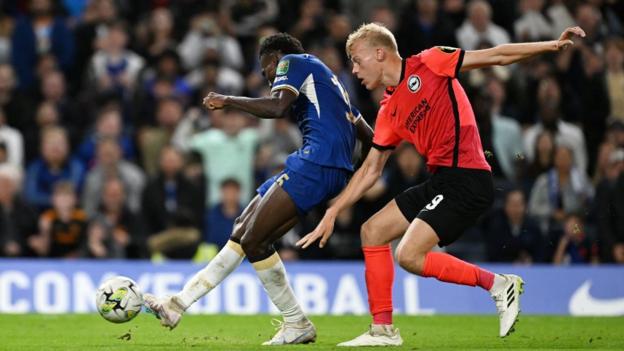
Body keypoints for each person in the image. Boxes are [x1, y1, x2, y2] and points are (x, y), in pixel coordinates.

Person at [296, 23, 586, 346]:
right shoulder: (388, 110)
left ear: (379, 53)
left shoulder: (431, 62)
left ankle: (498, 284)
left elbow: (496, 56)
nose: (354, 69)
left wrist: (550, 46)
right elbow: (370, 169)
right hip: (441, 180)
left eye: (356, 59)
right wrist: (334, 210)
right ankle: (383, 331)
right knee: (372, 232)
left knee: (407, 254)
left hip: (469, 177)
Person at [144, 33, 374, 345]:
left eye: (266, 69)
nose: (268, 78)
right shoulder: (331, 83)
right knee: (243, 231)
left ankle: (296, 322)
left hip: (316, 163)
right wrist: (354, 167)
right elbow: (370, 135)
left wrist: (229, 100)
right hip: (322, 166)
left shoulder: (293, 62)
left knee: (254, 240)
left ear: (276, 56)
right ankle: (177, 305)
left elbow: (278, 107)